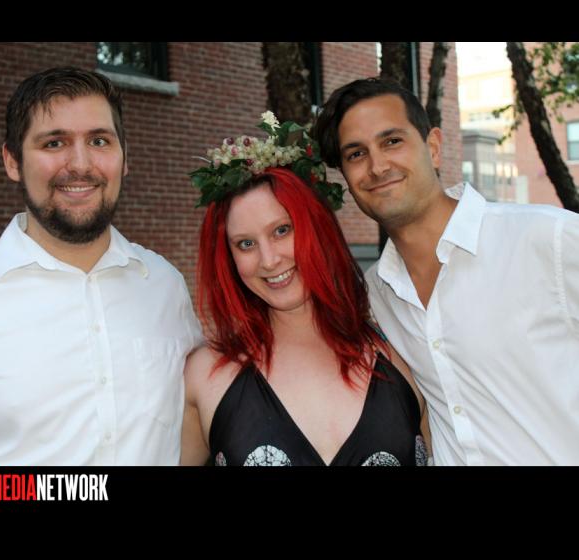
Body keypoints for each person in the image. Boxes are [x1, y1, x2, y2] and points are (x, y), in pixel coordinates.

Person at [312, 77, 579, 466]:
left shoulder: (549, 238)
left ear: (433, 147)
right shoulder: (374, 295)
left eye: (392, 141)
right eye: (356, 154)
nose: (377, 166)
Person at [0, 67, 202, 465]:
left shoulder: (164, 284)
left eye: (99, 141)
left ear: (124, 158)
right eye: (54, 143)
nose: (80, 164)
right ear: (12, 162)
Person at [181, 112, 430, 466]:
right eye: (246, 244)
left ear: (317, 228)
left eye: (282, 230)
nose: (269, 260)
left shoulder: (405, 352)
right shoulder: (204, 376)